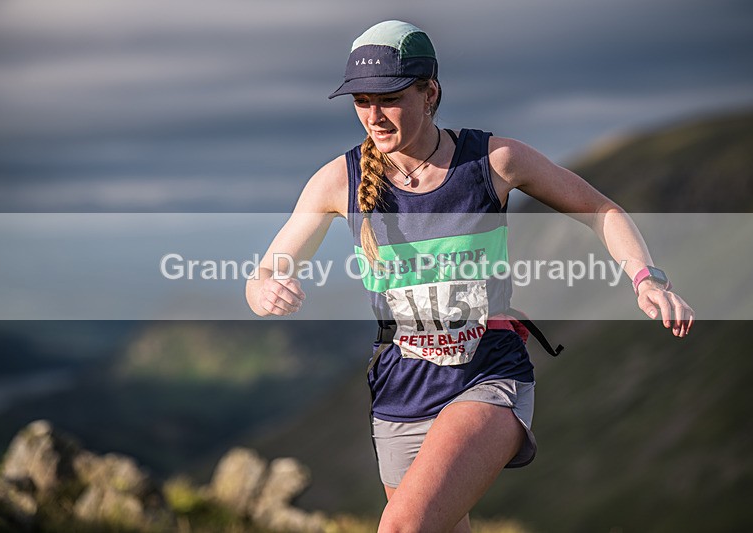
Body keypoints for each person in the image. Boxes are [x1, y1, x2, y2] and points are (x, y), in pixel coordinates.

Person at [246, 20, 694, 533]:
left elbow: (601, 210)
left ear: (429, 92)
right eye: (361, 101)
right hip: (400, 386)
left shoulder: (493, 160)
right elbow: (270, 267)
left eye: (388, 97)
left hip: (486, 374)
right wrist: (264, 289)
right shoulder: (339, 179)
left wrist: (647, 279)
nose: (373, 116)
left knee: (402, 528)